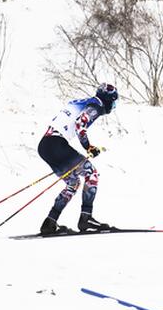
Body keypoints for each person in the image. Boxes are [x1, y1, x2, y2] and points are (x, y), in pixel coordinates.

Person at [37, 83, 118, 235]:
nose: (113, 107)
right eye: (113, 102)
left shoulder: (82, 102)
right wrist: (88, 147)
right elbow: (80, 124)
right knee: (91, 173)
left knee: (73, 183)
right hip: (56, 143)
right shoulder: (96, 105)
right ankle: (86, 218)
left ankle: (50, 222)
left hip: (45, 145)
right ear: (108, 100)